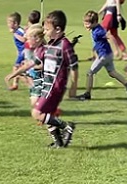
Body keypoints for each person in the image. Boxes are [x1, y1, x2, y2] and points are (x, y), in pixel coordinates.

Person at [32, 10, 77, 148]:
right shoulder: (50, 44)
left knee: (37, 113)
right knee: (47, 114)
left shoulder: (64, 45)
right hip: (47, 84)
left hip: (55, 86)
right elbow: (47, 63)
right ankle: (59, 142)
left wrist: (74, 87)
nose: (45, 32)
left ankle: (66, 127)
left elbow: (74, 66)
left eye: (47, 29)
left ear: (57, 29)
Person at [76, 10, 127, 101]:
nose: (86, 26)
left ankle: (87, 94)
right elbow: (98, 43)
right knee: (112, 72)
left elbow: (110, 36)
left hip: (104, 56)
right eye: (85, 23)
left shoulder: (98, 31)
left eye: (88, 24)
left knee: (90, 73)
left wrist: (116, 50)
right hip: (107, 54)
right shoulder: (96, 28)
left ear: (95, 22)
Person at [5, 24, 45, 108]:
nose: (27, 41)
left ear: (37, 39)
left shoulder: (42, 51)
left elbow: (42, 66)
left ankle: (51, 115)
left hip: (43, 82)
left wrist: (32, 67)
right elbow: (28, 64)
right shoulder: (37, 50)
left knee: (37, 108)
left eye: (29, 38)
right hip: (36, 80)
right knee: (36, 106)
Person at [5, 12, 26, 91]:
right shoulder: (17, 31)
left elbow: (25, 39)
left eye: (9, 22)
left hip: (24, 52)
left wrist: (15, 34)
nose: (8, 24)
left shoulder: (19, 31)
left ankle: (19, 83)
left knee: (16, 68)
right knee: (18, 68)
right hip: (21, 52)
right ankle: (16, 84)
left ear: (15, 23)